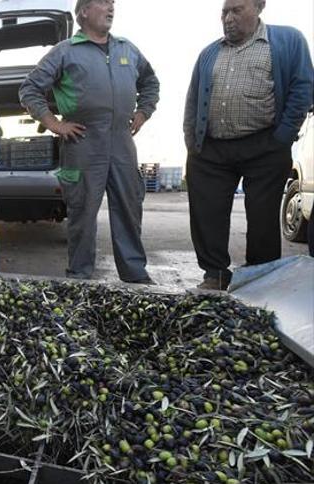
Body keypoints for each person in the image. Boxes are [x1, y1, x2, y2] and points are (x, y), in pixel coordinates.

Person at [19, 0, 159, 284]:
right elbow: (30, 89)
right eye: (103, 3)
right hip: (83, 142)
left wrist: (143, 112)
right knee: (82, 212)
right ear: (83, 11)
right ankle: (80, 277)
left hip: (122, 142)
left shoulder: (127, 49)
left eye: (113, 3)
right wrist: (55, 124)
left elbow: (150, 82)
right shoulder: (65, 52)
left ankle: (134, 275)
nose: (111, 7)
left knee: (130, 208)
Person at [184, 0, 314, 290]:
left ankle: (259, 278)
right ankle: (215, 274)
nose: (228, 18)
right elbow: (193, 99)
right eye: (224, 12)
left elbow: (302, 87)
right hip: (212, 149)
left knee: (263, 217)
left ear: (258, 7)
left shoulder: (288, 40)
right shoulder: (209, 53)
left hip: (264, 145)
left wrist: (282, 136)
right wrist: (192, 142)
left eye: (236, 10)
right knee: (207, 213)